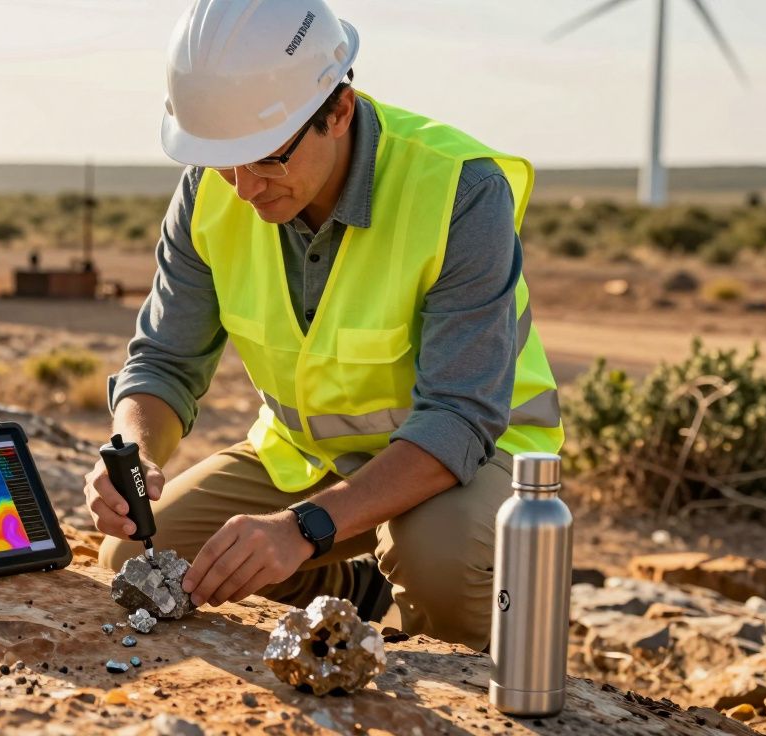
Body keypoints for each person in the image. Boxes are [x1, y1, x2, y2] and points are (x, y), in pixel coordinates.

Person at [85, 0, 564, 651]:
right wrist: (134, 451)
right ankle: (350, 588)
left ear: (338, 112)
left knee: (438, 557)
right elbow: (165, 363)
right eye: (224, 163)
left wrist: (300, 528)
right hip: (310, 459)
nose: (244, 189)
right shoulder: (211, 190)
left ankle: (474, 674)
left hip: (472, 460)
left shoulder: (461, 190)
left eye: (266, 160)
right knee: (138, 555)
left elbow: (458, 417)